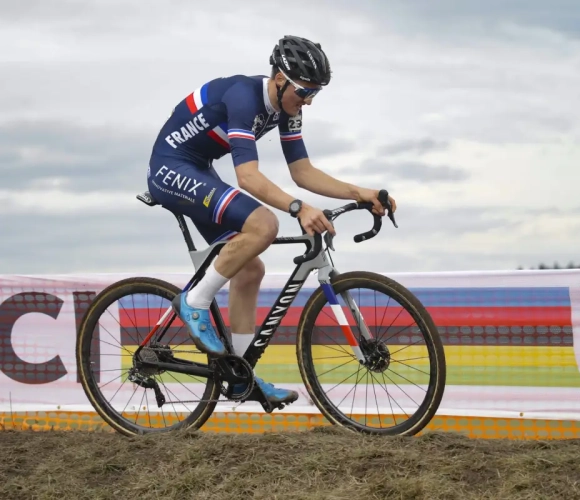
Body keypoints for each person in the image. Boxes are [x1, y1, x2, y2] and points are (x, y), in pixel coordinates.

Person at [145, 35, 397, 406]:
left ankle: (241, 377)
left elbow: (302, 171)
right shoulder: (244, 97)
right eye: (303, 91)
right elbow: (248, 177)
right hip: (170, 168)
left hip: (198, 168)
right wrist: (298, 208)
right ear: (279, 78)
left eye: (316, 93)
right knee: (264, 225)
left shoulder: (288, 107)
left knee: (249, 270)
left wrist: (360, 192)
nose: (308, 100)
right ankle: (194, 302)